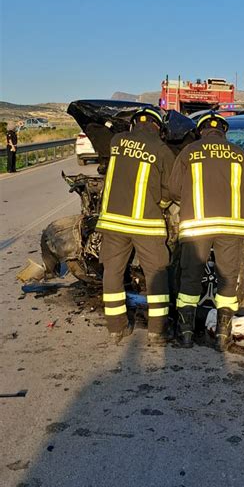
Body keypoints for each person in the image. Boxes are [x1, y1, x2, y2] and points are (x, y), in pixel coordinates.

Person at [168, 111, 244, 351]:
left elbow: (174, 189)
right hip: (231, 227)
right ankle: (222, 336)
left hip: (197, 226)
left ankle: (186, 333)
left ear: (201, 131)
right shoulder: (239, 154)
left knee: (189, 277)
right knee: (228, 279)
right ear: (223, 132)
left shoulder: (189, 152)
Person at [96, 107, 175, 346]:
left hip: (112, 222)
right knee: (156, 274)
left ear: (133, 124)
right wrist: (161, 203)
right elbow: (170, 188)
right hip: (146, 224)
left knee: (113, 271)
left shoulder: (117, 141)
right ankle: (157, 331)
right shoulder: (162, 149)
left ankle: (116, 328)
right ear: (158, 128)